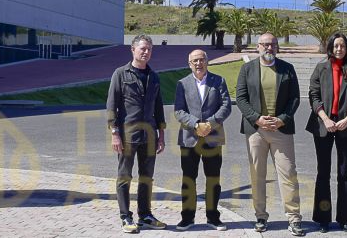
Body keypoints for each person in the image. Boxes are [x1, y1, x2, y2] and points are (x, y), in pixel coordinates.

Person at [236, 32, 305, 236]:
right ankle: (260, 216)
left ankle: (294, 218)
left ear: (277, 47)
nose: (269, 48)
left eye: (272, 44)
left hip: (281, 130)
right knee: (258, 175)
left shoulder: (287, 69)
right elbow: (241, 98)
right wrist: (256, 118)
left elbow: (294, 98)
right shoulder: (247, 69)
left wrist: (283, 118)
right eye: (265, 44)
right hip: (256, 131)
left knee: (288, 174)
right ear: (258, 47)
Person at [305, 33, 347, 234]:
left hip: (346, 126)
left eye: (343, 46)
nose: (339, 49)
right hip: (324, 125)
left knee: (344, 173)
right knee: (323, 172)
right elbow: (313, 95)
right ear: (330, 48)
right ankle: (323, 218)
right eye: (336, 46)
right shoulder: (321, 68)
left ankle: (345, 218)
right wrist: (325, 118)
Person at [106, 35, 167, 233]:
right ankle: (125, 216)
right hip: (127, 135)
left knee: (147, 177)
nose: (146, 52)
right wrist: (114, 133)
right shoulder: (120, 74)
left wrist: (161, 135)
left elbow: (159, 108)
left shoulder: (154, 77)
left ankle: (145, 215)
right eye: (142, 49)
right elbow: (111, 106)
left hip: (149, 135)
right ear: (133, 49)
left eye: (149, 49)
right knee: (124, 176)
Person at [173, 49, 232, 231]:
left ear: (207, 61)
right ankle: (187, 218)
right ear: (189, 64)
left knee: (213, 179)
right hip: (189, 139)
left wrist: (210, 124)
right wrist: (196, 124)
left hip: (212, 139)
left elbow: (226, 106)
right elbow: (179, 110)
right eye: (194, 61)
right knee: (188, 179)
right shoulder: (182, 84)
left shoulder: (218, 81)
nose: (198, 63)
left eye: (201, 60)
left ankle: (213, 217)